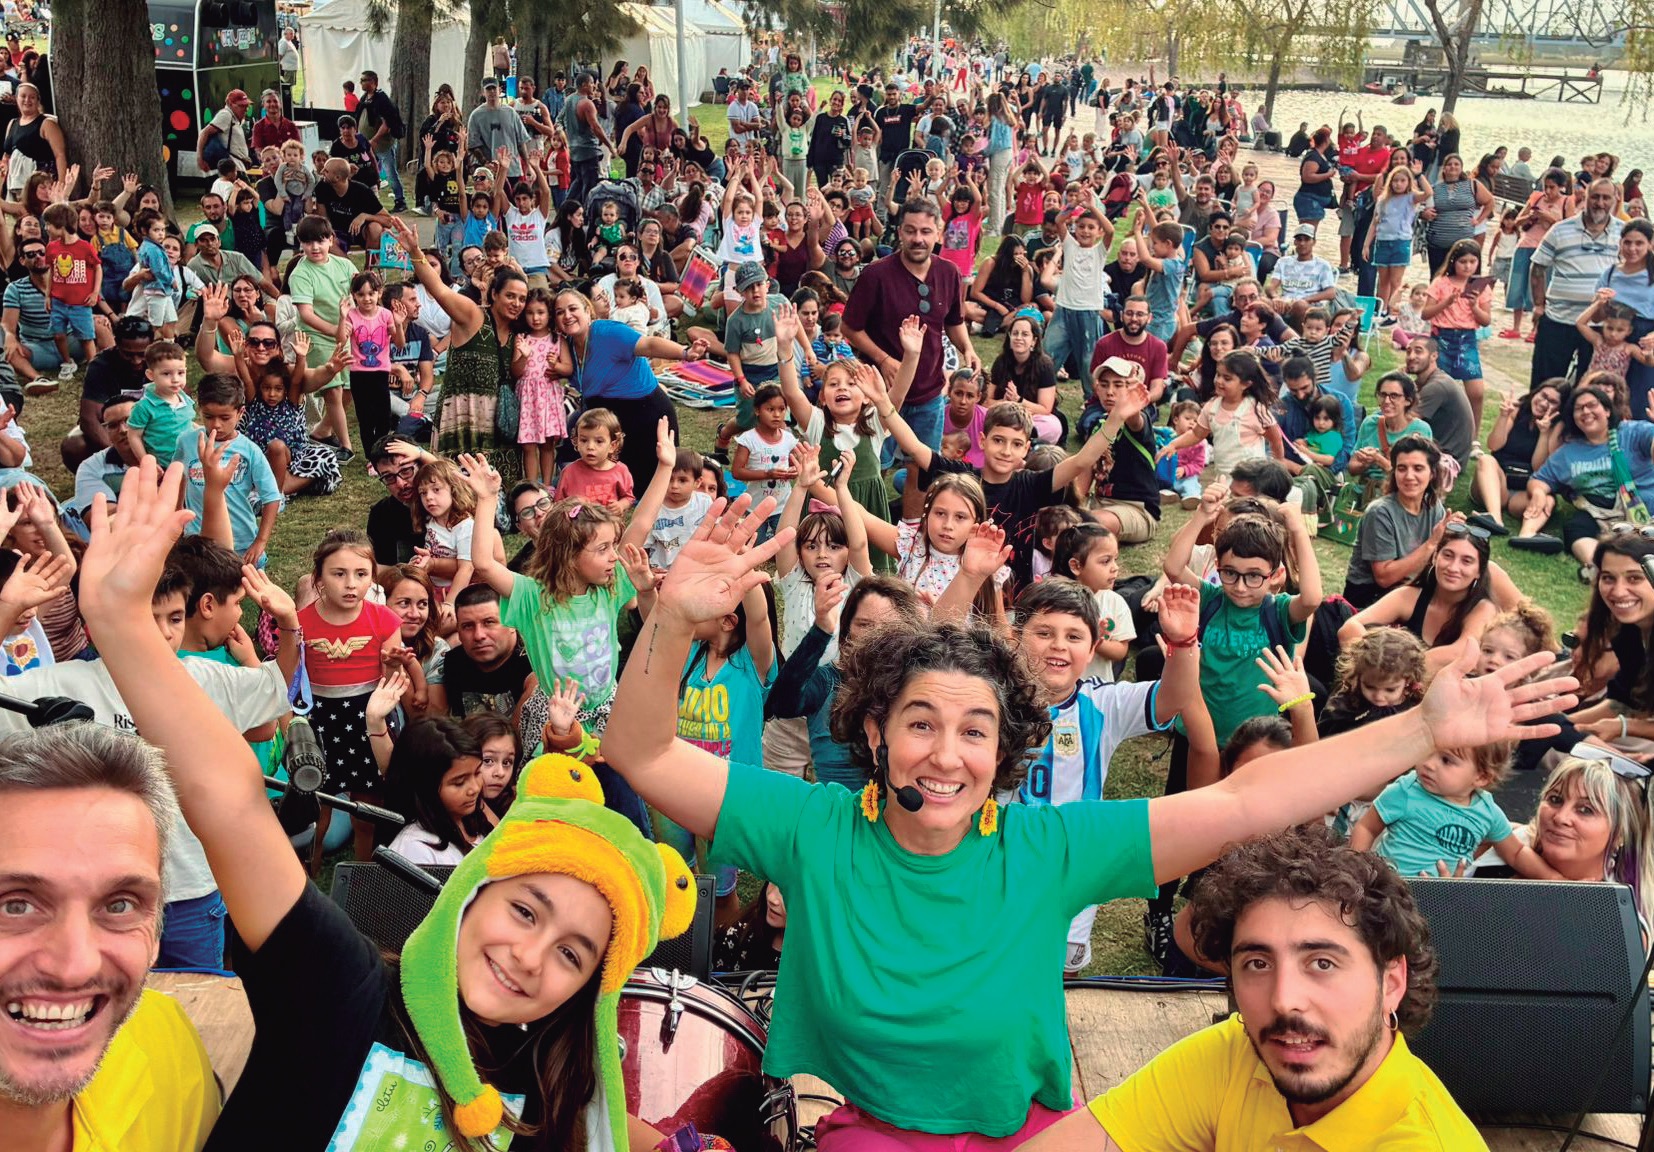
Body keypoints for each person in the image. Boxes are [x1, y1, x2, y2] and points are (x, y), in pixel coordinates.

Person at [601, 489, 1574, 1150]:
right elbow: (641, 753)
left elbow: (1242, 801)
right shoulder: (810, 828)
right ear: (873, 731)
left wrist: (1419, 731)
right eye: (921, 723)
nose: (946, 754)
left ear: (1004, 752)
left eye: (975, 731)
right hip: (858, 1131)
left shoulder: (1047, 848)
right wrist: (672, 621)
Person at [72, 458, 693, 1152]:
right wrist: (121, 626)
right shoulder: (340, 987)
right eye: (525, 910)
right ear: (470, 891)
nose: (528, 956)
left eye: (573, 955)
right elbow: (227, 800)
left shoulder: (549, 1094)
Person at [1023, 826, 1486, 1152]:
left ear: (1392, 982)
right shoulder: (1237, 1057)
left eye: (1322, 963)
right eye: (1258, 964)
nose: (1283, 1000)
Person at [0, 720, 221, 1152]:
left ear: (155, 937)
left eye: (119, 905)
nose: (74, 967)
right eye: (15, 905)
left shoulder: (163, 1039)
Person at [844, 199, 983, 466]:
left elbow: (953, 321)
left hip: (929, 393)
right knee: (875, 465)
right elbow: (849, 327)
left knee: (924, 468)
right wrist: (883, 359)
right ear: (900, 232)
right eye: (910, 230)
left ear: (938, 233)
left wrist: (968, 348)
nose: (918, 239)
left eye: (925, 231)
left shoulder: (949, 272)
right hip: (882, 393)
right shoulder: (876, 275)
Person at [552, 286, 705, 486]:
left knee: (647, 486)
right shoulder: (566, 347)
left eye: (573, 309)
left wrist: (685, 353)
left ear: (587, 311)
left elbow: (649, 344)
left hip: (646, 417)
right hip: (608, 422)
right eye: (560, 312)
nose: (567, 316)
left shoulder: (608, 332)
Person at [1511, 384, 1653, 569]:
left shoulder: (1633, 432)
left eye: (1592, 405)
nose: (1585, 411)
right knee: (1576, 528)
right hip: (1600, 515)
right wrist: (1538, 493)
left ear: (1607, 411)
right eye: (1579, 409)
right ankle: (1600, 567)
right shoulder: (1569, 452)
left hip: (1646, 507)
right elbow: (1540, 479)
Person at [1529, 178, 1622, 386]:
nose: (1600, 203)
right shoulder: (1561, 229)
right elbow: (1537, 267)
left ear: (1615, 199)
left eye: (1606, 198)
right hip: (1559, 319)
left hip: (1599, 325)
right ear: (1585, 198)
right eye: (1595, 197)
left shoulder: (1624, 233)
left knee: (1591, 388)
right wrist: (1539, 305)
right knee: (1546, 384)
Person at [1344, 435, 1453, 610]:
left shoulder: (1434, 507)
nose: (1409, 476)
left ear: (1432, 473)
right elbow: (1384, 577)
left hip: (1409, 588)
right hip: (1369, 598)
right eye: (1402, 468)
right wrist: (1433, 542)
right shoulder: (1380, 512)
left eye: (1418, 468)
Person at [1469, 377, 1561, 536]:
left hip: (1523, 492)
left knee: (1549, 500)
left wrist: (1544, 434)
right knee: (1486, 460)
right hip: (1496, 484)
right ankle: (1494, 518)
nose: (1544, 403)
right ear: (1535, 393)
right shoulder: (1517, 411)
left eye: (1552, 402)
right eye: (1543, 396)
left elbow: (1539, 467)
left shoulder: (1556, 427)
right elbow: (1493, 445)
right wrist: (1504, 416)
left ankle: (1527, 535)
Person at [357, 70, 408, 214]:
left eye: (364, 80)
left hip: (383, 145)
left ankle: (400, 201)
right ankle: (370, 200)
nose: (361, 83)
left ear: (373, 82)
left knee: (390, 172)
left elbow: (387, 123)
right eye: (361, 80)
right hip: (367, 145)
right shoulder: (365, 98)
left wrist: (375, 139)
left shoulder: (381, 99)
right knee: (368, 172)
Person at [195, 88, 252, 174]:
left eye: (247, 106)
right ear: (230, 104)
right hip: (232, 169)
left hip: (238, 167)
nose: (246, 109)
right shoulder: (226, 114)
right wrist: (199, 158)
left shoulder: (235, 119)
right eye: (241, 106)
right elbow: (204, 132)